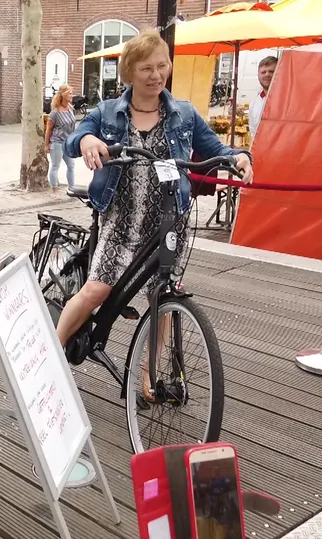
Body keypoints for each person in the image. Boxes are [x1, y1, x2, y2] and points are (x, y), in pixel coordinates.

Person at [57, 28, 253, 400]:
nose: (156, 74)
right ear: (130, 71)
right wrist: (88, 140)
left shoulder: (183, 114)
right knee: (97, 289)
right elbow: (75, 137)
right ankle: (49, 352)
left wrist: (240, 157)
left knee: (160, 300)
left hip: (166, 224)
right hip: (121, 221)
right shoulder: (108, 112)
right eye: (147, 67)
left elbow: (217, 147)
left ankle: (146, 379)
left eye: (162, 65)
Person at [45, 83, 77, 196]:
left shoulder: (70, 109)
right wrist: (47, 145)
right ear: (62, 95)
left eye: (72, 93)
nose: (71, 96)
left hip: (68, 143)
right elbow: (48, 130)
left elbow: (73, 127)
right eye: (69, 94)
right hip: (57, 142)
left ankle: (72, 188)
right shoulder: (55, 113)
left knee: (71, 165)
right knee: (55, 166)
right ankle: (55, 189)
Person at [248, 55, 277, 139]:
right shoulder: (254, 105)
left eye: (271, 71)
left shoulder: (288, 100)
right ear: (258, 75)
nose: (267, 74)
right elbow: (254, 133)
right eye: (263, 72)